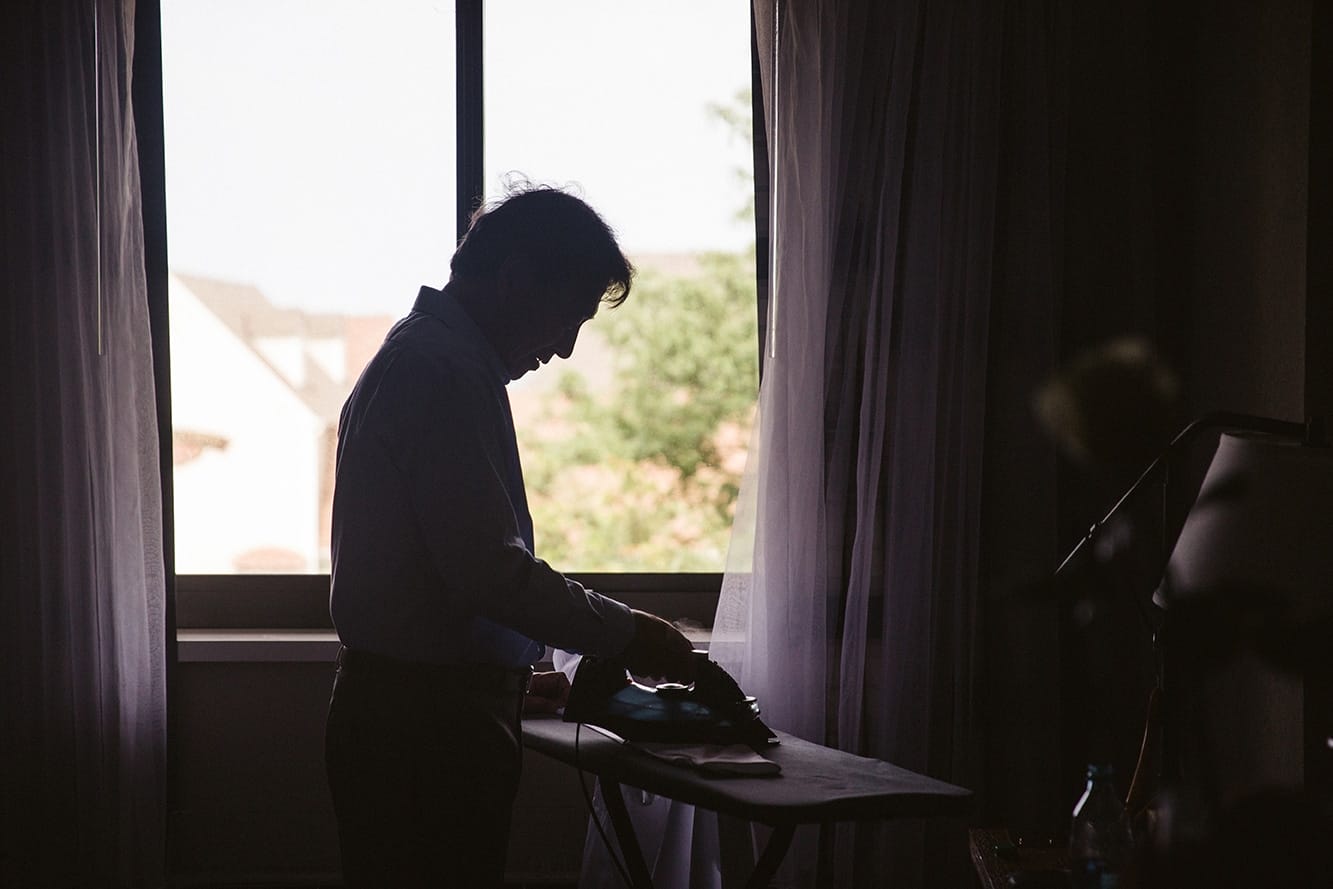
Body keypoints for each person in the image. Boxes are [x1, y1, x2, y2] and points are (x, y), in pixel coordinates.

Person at [325, 184, 697, 888]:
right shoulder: (444, 372)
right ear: (515, 278)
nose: (563, 349)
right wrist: (630, 633)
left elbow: (428, 574)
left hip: (418, 709)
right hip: (425, 732)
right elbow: (487, 569)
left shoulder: (418, 357)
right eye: (568, 318)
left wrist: (500, 673)